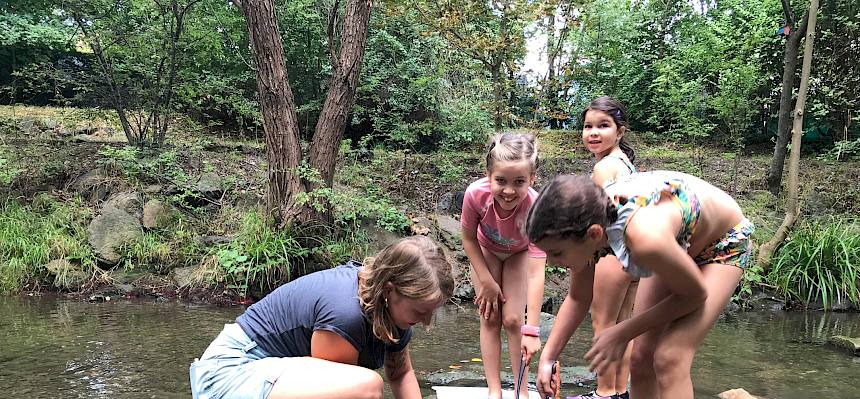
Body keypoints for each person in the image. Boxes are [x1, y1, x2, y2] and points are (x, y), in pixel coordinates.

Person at [526, 171, 754, 399]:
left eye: (556, 253)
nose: (552, 261)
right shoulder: (586, 226)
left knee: (670, 356)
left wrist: (622, 332)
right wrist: (548, 358)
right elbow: (578, 298)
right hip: (676, 246)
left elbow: (694, 296)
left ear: (594, 234)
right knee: (640, 358)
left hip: (722, 246)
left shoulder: (645, 239)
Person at [189, 235, 455, 399]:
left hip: (265, 373)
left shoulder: (391, 311)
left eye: (432, 312)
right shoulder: (345, 315)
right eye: (421, 311)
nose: (427, 322)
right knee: (367, 386)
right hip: (226, 375)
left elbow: (400, 375)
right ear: (389, 290)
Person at [461, 132, 547, 398]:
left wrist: (532, 329)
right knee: (490, 317)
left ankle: (521, 390)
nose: (509, 191)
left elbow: (536, 272)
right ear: (489, 176)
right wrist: (486, 280)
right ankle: (494, 391)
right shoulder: (476, 195)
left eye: (519, 182)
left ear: (532, 179)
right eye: (501, 181)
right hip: (485, 250)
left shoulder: (536, 207)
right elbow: (467, 238)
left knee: (512, 320)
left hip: (519, 254)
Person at [575, 96, 639, 399]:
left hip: (611, 253)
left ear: (620, 131)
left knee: (602, 323)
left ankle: (603, 392)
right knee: (623, 325)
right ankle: (619, 391)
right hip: (633, 255)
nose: (594, 132)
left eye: (603, 126)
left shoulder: (605, 168)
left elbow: (599, 219)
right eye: (588, 126)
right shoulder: (625, 163)